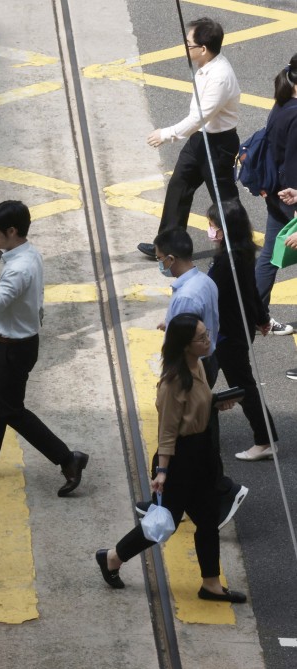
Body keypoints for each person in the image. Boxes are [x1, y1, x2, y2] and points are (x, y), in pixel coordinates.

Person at [96, 314, 246, 604]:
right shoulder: (172, 383)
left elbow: (197, 407)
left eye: (206, 333)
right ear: (185, 345)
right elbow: (167, 433)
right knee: (166, 522)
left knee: (208, 519)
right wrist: (162, 472)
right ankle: (113, 557)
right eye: (201, 337)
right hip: (180, 459)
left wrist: (216, 404)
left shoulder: (199, 364)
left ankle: (211, 584)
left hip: (202, 453)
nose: (208, 340)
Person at [0, 201, 89, 495]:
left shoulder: (19, 269)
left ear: (12, 231)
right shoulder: (27, 253)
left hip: (11, 351)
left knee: (11, 411)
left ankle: (67, 458)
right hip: (5, 345)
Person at [146, 228, 247, 528]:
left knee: (182, 434)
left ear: (172, 258)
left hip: (190, 369)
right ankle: (176, 499)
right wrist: (171, 322)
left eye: (160, 259)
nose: (160, 264)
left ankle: (213, 492)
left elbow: (184, 341)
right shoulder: (203, 281)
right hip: (204, 362)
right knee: (198, 427)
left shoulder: (187, 297)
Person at [137, 17, 240, 259]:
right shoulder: (207, 66)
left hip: (218, 145)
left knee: (224, 199)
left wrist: (166, 134)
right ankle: (167, 246)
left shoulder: (219, 77)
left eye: (189, 44)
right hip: (200, 139)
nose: (185, 48)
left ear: (203, 49)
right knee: (179, 186)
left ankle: (238, 244)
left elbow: (198, 117)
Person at [205, 201, 277, 461]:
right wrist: (262, 317)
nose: (210, 230)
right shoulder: (242, 253)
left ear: (224, 229)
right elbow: (251, 290)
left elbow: (209, 292)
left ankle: (265, 440)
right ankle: (193, 424)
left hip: (227, 334)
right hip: (235, 329)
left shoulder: (228, 262)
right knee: (205, 375)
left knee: (243, 385)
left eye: (212, 225)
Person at [255, 53, 297, 334]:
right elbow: (294, 168)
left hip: (275, 194)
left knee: (269, 257)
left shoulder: (282, 102)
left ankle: (254, 313)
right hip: (290, 199)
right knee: (270, 256)